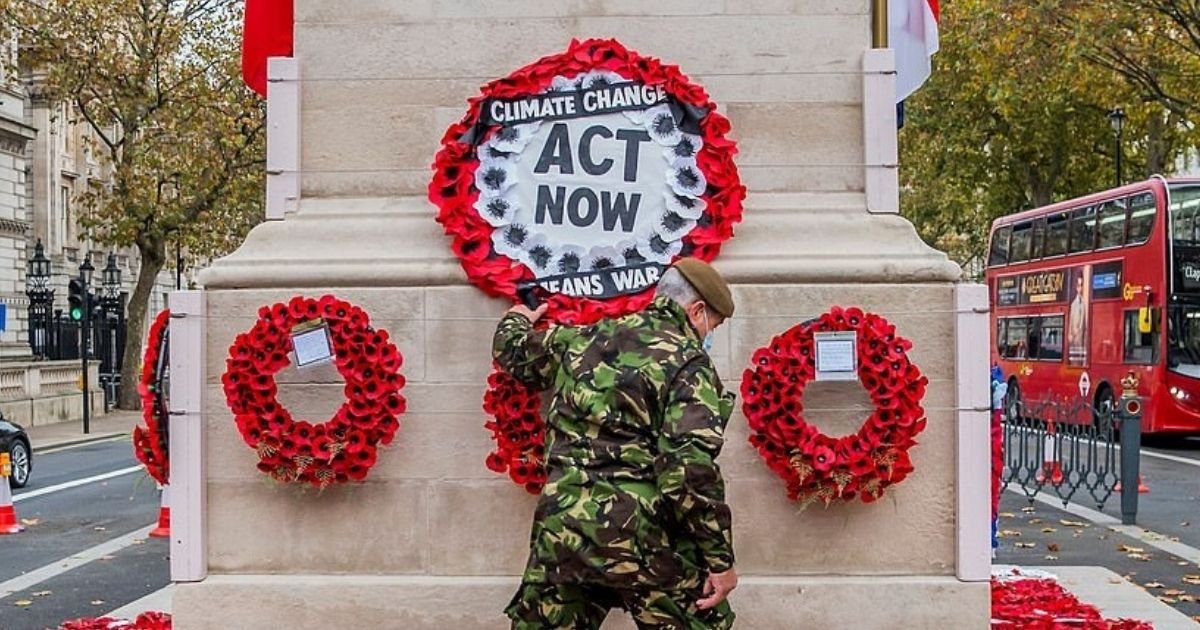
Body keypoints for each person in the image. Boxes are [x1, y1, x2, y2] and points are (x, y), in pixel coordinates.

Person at [493, 258, 738, 630]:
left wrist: (518, 317)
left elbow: (513, 351)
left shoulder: (580, 339)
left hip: (564, 533)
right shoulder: (688, 364)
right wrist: (720, 561)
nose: (708, 334)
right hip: (643, 538)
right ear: (697, 310)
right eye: (712, 325)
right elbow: (687, 471)